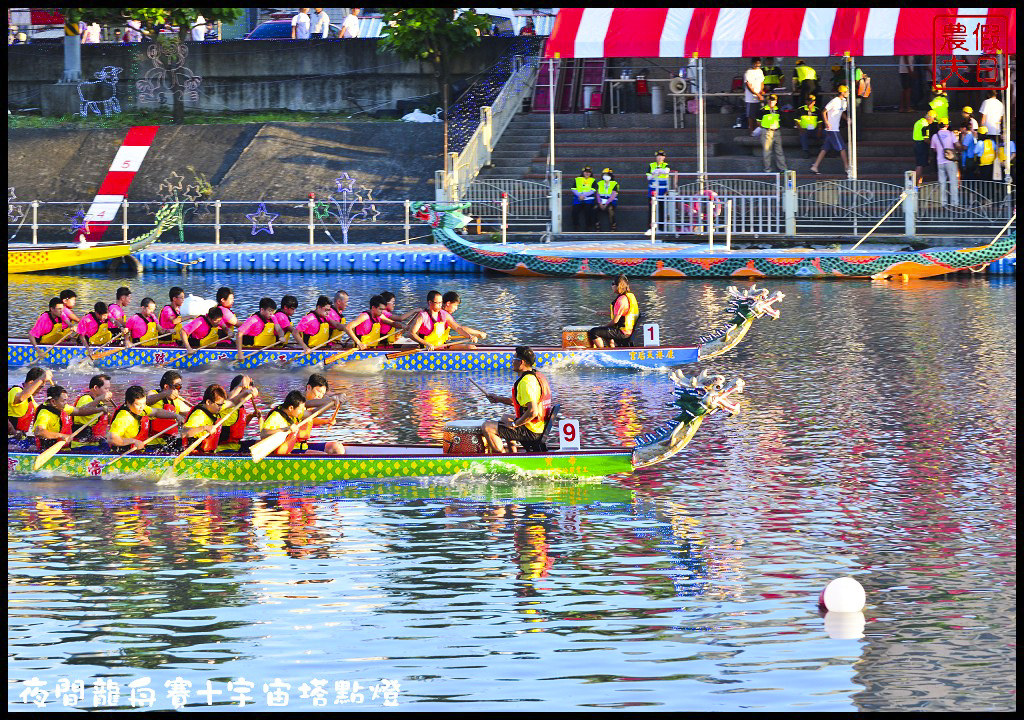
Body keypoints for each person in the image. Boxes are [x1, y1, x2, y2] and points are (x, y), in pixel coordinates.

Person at [480, 346, 553, 454]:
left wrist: (515, 424)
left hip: (532, 432)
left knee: (487, 426)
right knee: (505, 418)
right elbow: (522, 402)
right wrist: (498, 399)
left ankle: (503, 458)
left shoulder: (526, 382)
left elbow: (533, 411)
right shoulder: (535, 376)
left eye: (514, 359)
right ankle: (512, 453)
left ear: (521, 362)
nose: (512, 362)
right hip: (539, 426)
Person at [107, 385, 184, 453]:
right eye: (138, 404)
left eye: (144, 403)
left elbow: (156, 412)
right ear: (128, 403)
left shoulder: (140, 409)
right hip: (123, 452)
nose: (142, 407)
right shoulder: (124, 417)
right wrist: (134, 441)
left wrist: (176, 416)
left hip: (138, 451)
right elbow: (111, 439)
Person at [32, 385, 109, 451]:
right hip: (49, 450)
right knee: (98, 450)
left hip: (65, 448)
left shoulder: (61, 407)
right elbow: (39, 432)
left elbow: (80, 411)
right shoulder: (45, 414)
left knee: (105, 445)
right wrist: (61, 436)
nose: (66, 403)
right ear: (53, 402)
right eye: (63, 401)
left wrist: (99, 409)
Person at [407, 290, 484, 350]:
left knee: (471, 347)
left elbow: (458, 328)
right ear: (430, 303)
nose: (441, 305)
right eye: (438, 303)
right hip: (427, 348)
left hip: (442, 345)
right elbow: (411, 333)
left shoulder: (444, 314)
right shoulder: (422, 316)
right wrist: (426, 344)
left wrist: (469, 336)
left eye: (441, 302)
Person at [587, 274, 640, 349]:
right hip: (628, 330)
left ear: (618, 286)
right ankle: (612, 348)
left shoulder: (621, 300)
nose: (611, 286)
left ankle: (602, 352)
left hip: (623, 332)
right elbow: (622, 314)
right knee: (606, 331)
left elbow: (615, 321)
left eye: (613, 284)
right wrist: (605, 313)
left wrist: (603, 326)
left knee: (594, 332)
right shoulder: (629, 296)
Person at [810, 85, 850, 177]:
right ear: (842, 92)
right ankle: (847, 167)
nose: (848, 93)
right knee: (842, 148)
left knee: (825, 149)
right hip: (832, 129)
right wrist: (827, 122)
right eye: (847, 91)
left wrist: (847, 119)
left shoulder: (844, 102)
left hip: (835, 128)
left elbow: (841, 112)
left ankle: (815, 166)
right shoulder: (834, 101)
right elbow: (824, 111)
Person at [218, 375, 263, 453]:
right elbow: (231, 399)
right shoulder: (225, 404)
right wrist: (240, 387)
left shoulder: (240, 407)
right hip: (223, 449)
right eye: (246, 389)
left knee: (262, 443)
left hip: (237, 446)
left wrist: (252, 416)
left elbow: (240, 425)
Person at [146, 371, 192, 445]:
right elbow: (147, 401)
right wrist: (166, 393)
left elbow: (191, 413)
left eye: (180, 386)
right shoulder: (153, 393)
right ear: (166, 387)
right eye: (177, 386)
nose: (179, 389)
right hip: (150, 443)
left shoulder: (177, 401)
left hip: (168, 442)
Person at [70, 374, 114, 449]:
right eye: (106, 389)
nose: (108, 392)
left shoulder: (100, 403)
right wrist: (100, 398)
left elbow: (110, 420)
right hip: (81, 445)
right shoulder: (85, 399)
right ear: (96, 388)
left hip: (96, 443)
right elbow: (83, 410)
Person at [8, 367, 51, 439]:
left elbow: (39, 410)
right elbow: (20, 398)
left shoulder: (29, 397)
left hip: (19, 437)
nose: (40, 390)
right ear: (31, 383)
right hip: (11, 439)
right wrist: (41, 379)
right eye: (40, 387)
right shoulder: (16, 391)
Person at [930, 119, 959, 207]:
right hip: (950, 161)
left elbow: (934, 149)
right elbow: (957, 145)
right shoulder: (951, 134)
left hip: (940, 162)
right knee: (953, 182)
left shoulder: (935, 136)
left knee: (942, 183)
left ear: (939, 126)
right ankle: (955, 203)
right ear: (947, 125)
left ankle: (943, 202)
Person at [759, 93, 788, 173]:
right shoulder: (763, 110)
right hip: (767, 131)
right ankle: (767, 169)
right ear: (767, 101)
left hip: (776, 131)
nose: (771, 102)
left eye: (773, 100)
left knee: (779, 151)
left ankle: (783, 168)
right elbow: (758, 122)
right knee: (767, 151)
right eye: (770, 100)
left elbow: (781, 120)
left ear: (776, 101)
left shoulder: (778, 110)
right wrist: (766, 128)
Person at [645, 150, 671, 236]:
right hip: (653, 190)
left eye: (661, 156)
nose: (659, 157)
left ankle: (661, 228)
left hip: (662, 191)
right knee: (651, 209)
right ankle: (650, 228)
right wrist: (653, 174)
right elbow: (648, 177)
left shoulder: (666, 165)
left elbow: (667, 171)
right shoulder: (651, 165)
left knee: (662, 209)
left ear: (664, 157)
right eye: (658, 156)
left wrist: (659, 171)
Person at [570, 166, 597, 231]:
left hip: (588, 199)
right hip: (578, 198)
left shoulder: (593, 180)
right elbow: (573, 189)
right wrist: (579, 195)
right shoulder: (577, 179)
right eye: (586, 172)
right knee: (574, 212)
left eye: (589, 172)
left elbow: (593, 190)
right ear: (583, 172)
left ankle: (588, 226)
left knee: (588, 212)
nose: (587, 173)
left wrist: (583, 196)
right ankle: (576, 226)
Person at [913, 110, 936, 184]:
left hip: (916, 144)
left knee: (919, 164)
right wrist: (933, 145)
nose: (933, 120)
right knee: (920, 165)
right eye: (933, 118)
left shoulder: (919, 122)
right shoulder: (925, 125)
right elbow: (926, 139)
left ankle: (918, 182)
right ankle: (916, 183)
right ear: (929, 117)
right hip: (922, 145)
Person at [744, 57, 765, 132]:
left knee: (758, 115)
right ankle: (751, 131)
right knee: (751, 116)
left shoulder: (760, 71)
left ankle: (757, 131)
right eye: (756, 63)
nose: (758, 65)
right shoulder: (748, 72)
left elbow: (762, 82)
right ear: (753, 63)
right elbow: (748, 86)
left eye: (759, 63)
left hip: (759, 98)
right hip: (751, 98)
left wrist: (761, 91)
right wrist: (756, 94)